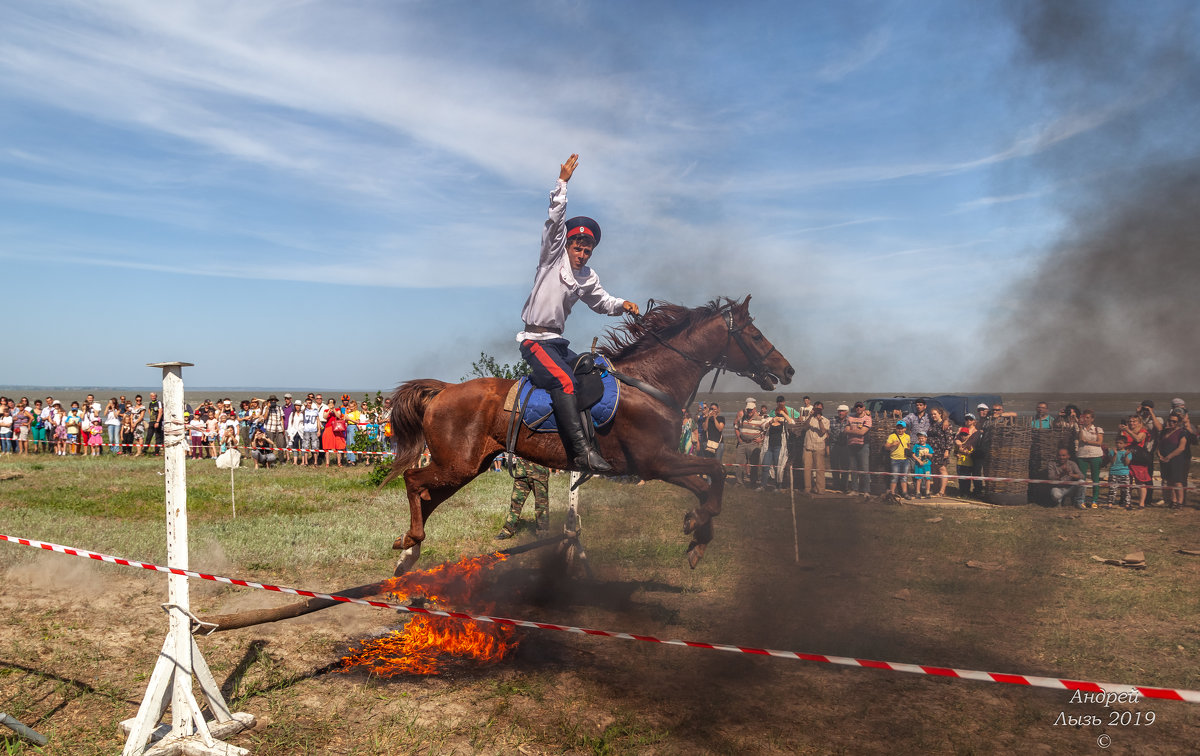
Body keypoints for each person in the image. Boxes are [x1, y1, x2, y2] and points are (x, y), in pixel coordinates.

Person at [516, 154, 640, 474]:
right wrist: (562, 184)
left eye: (587, 249)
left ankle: (593, 439)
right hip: (534, 341)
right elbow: (555, 221)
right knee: (564, 381)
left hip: (556, 342)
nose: (582, 253)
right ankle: (581, 454)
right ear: (568, 245)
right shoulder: (551, 258)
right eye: (578, 247)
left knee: (592, 368)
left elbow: (602, 302)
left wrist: (623, 304)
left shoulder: (587, 277)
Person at [495, 457, 551, 539]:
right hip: (522, 466)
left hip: (540, 467)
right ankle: (507, 531)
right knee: (516, 501)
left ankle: (543, 532)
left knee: (541, 503)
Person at [1157, 411, 1191, 509]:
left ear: (1178, 422)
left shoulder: (1182, 433)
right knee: (1169, 481)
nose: (1171, 423)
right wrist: (1159, 455)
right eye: (1170, 421)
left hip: (1176, 460)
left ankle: (1180, 502)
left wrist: (1169, 457)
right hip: (1164, 459)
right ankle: (1173, 501)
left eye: (1174, 421)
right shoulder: (1164, 432)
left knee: (1177, 481)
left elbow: (1181, 448)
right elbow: (1159, 445)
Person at [1075, 410, 1104, 508]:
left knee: (1095, 478)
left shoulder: (1097, 429)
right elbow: (1080, 439)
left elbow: (1099, 442)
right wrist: (1079, 427)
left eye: (1088, 417)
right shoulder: (1080, 428)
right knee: (1081, 478)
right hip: (1082, 455)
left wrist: (1087, 441)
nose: (1086, 419)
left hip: (1095, 455)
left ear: (1092, 419)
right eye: (1084, 417)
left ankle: (1094, 500)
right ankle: (1081, 500)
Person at [733, 398, 765, 488]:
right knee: (739, 463)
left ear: (754, 409)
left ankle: (753, 483)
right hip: (742, 443)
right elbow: (736, 427)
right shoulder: (742, 418)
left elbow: (766, 430)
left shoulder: (760, 419)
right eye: (748, 410)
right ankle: (739, 482)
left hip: (754, 444)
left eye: (751, 410)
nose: (749, 411)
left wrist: (761, 439)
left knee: (754, 464)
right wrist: (739, 438)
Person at [762, 406, 794, 491]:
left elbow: (792, 423)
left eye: (781, 411)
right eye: (778, 411)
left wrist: (783, 414)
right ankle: (763, 485)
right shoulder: (770, 419)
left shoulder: (784, 422)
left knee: (778, 468)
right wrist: (772, 421)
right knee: (765, 465)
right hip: (769, 446)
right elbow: (763, 426)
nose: (779, 413)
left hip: (779, 447)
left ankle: (778, 486)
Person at [801, 402, 829, 494]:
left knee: (819, 468)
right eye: (816, 408)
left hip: (819, 446)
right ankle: (807, 488)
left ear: (822, 409)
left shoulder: (825, 420)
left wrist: (819, 419)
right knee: (807, 468)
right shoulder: (810, 419)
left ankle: (820, 489)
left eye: (819, 409)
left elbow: (823, 431)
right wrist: (810, 416)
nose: (817, 410)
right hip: (808, 445)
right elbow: (804, 427)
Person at [846, 401, 872, 495]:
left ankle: (866, 491)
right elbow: (846, 430)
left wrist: (852, 430)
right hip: (851, 445)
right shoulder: (850, 417)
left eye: (860, 406)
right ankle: (854, 489)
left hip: (863, 446)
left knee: (865, 469)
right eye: (857, 406)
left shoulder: (867, 418)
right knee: (853, 469)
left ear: (864, 408)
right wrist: (858, 430)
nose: (858, 408)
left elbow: (863, 432)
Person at [928, 407, 955, 497]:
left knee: (942, 469)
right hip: (932, 450)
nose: (933, 416)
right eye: (932, 414)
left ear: (940, 414)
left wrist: (947, 450)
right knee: (934, 470)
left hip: (941, 450)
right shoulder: (932, 424)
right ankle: (935, 489)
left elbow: (949, 438)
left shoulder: (946, 424)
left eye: (935, 414)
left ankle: (942, 491)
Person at [954, 414, 982, 498]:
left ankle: (971, 492)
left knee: (971, 476)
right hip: (960, 462)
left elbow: (972, 445)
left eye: (970, 419)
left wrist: (964, 448)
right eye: (966, 419)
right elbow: (956, 440)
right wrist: (959, 448)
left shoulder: (976, 431)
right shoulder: (960, 429)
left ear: (974, 421)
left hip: (971, 458)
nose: (968, 421)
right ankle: (962, 492)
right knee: (961, 477)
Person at [885, 420, 912, 499]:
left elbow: (908, 445)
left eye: (902, 428)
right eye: (898, 428)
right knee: (894, 477)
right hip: (895, 459)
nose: (900, 430)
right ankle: (892, 493)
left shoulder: (907, 436)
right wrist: (893, 444)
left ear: (905, 429)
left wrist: (908, 451)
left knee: (904, 477)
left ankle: (905, 493)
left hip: (905, 459)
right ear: (896, 428)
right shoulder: (892, 436)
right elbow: (886, 447)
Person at [828, 404, 851, 493]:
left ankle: (844, 486)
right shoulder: (832, 419)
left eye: (842, 411)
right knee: (834, 465)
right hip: (834, 444)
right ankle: (836, 484)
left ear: (846, 412)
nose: (840, 413)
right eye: (839, 411)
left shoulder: (850, 420)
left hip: (845, 445)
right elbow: (827, 432)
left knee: (845, 466)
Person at [1107, 435, 1134, 509]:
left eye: (1120, 443)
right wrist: (1115, 454)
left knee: (1126, 490)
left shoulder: (1127, 452)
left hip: (1124, 473)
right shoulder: (1112, 451)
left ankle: (1127, 504)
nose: (1118, 444)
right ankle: (1110, 504)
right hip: (1114, 473)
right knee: (1112, 489)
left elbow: (1126, 463)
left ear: (1125, 444)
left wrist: (1125, 456)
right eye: (1117, 443)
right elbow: (1112, 462)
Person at [911, 431, 933, 498]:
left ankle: (927, 492)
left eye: (922, 438)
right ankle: (918, 492)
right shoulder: (916, 446)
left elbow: (931, 455)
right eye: (919, 438)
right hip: (919, 465)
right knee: (919, 479)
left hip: (927, 465)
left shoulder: (928, 446)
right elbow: (913, 454)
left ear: (926, 438)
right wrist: (918, 460)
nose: (921, 439)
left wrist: (928, 454)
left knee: (928, 479)